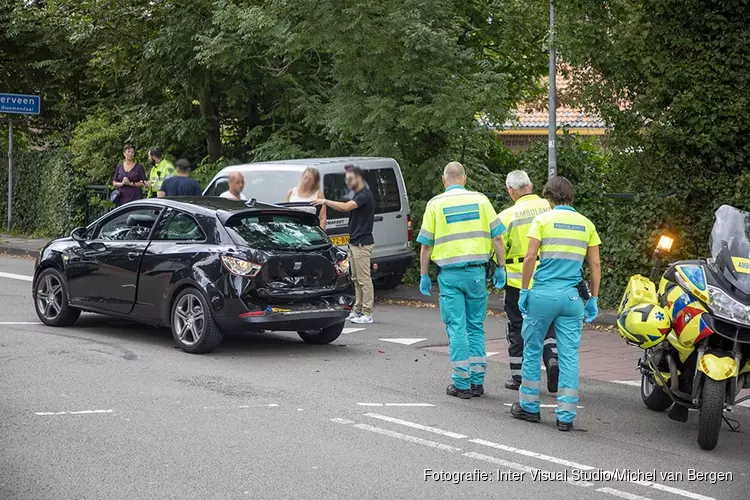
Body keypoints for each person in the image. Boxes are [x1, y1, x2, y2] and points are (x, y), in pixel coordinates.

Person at [510, 176, 601, 432]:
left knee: (532, 348)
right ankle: (566, 415)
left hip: (542, 296)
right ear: (571, 197)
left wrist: (524, 290)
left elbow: (529, 258)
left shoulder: (542, 220)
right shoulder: (586, 224)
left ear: (549, 198)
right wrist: (593, 298)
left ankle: (528, 407)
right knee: (569, 355)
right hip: (572, 299)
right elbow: (594, 265)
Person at [416, 162, 506, 399]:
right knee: (475, 326)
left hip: (450, 276)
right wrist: (501, 268)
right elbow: (497, 239)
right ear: (464, 179)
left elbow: (426, 245)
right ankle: (477, 382)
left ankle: (461, 383)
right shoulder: (481, 201)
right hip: (476, 274)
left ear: (443, 180)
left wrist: (424, 275)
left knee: (457, 328)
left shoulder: (435, 204)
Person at [497, 170, 558, 393]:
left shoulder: (506, 216)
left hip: (517, 281)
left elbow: (498, 247)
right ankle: (553, 360)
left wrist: (498, 267)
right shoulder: (551, 208)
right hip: (549, 276)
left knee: (517, 327)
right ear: (531, 186)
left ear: (510, 191)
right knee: (549, 323)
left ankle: (519, 376)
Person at [312, 166, 374, 324]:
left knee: (364, 279)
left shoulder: (364, 195)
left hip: (362, 243)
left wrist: (325, 201)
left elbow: (345, 207)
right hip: (354, 242)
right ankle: (358, 310)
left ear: (358, 178)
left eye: (350, 178)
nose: (347, 182)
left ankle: (367, 313)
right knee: (355, 278)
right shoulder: (359, 194)